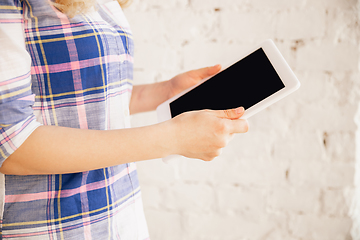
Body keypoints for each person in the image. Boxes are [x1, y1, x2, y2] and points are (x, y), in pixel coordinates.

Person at [0, 0, 249, 238]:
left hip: (122, 219)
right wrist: (174, 138)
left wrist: (165, 91)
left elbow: (96, 103)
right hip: (56, 228)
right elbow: (13, 145)